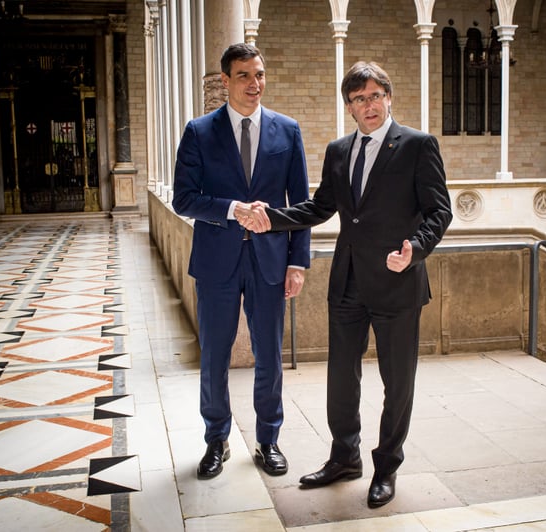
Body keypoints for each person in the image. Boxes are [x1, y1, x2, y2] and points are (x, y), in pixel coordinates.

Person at [239, 61, 452, 508]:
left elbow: (440, 211)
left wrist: (416, 248)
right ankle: (344, 458)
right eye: (359, 99)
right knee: (340, 378)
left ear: (389, 98)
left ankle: (386, 467)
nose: (369, 105)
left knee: (398, 383)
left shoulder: (417, 145)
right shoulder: (338, 151)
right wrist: (270, 218)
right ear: (349, 107)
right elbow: (319, 208)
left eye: (375, 96)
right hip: (348, 283)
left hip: (397, 282)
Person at [172, 42, 310, 480]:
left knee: (269, 353)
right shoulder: (199, 132)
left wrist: (297, 262)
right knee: (214, 354)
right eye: (245, 75)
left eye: (260, 74)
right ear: (226, 80)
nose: (255, 83)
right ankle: (217, 439)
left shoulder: (287, 131)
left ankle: (268, 440)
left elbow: (301, 205)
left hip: (271, 261)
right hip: (217, 262)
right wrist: (233, 209)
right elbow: (183, 199)